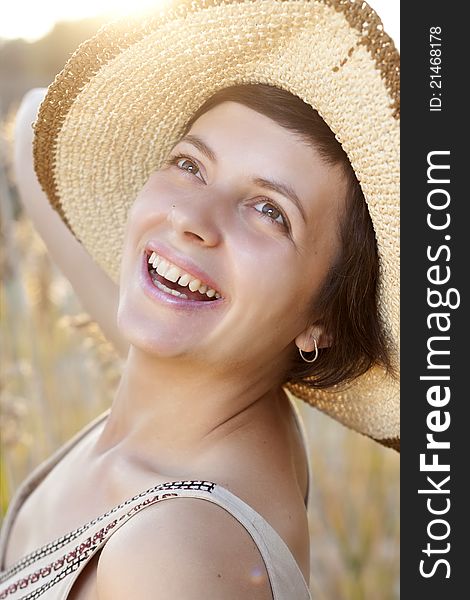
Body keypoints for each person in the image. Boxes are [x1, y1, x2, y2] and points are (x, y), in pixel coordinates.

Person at [0, 0, 399, 598]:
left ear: (326, 317)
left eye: (271, 212)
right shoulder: (196, 390)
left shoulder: (172, 557)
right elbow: (36, 120)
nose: (190, 217)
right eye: (190, 164)